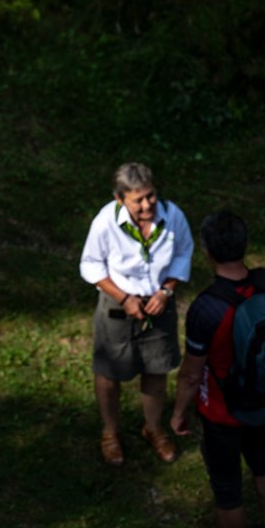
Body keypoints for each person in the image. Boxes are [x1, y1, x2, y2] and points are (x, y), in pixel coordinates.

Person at [171, 211, 265, 528]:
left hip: (223, 414)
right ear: (244, 244)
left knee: (227, 491)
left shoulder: (207, 308)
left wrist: (179, 412)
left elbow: (191, 376)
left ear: (208, 252)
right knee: (264, 461)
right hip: (263, 398)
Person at [80, 162, 194, 466]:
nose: (147, 205)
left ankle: (154, 429)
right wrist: (124, 297)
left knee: (156, 369)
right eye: (138, 200)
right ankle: (110, 433)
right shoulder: (105, 222)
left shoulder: (173, 216)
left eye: (150, 196)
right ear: (120, 199)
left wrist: (166, 291)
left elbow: (183, 252)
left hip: (158, 304)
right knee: (108, 373)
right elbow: (91, 265)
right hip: (118, 306)